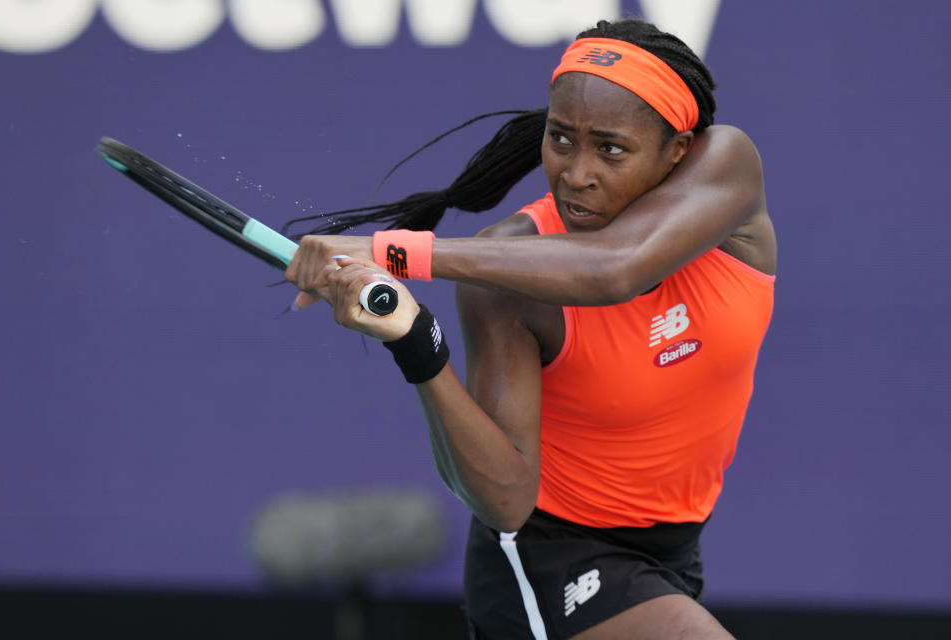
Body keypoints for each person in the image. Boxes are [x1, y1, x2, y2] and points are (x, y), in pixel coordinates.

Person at [285, 18, 775, 640]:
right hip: (548, 561)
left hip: (674, 554)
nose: (576, 172)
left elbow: (615, 267)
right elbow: (506, 499)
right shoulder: (505, 271)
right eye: (561, 139)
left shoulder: (728, 169)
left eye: (611, 149)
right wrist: (416, 344)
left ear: (678, 151)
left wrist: (396, 253)